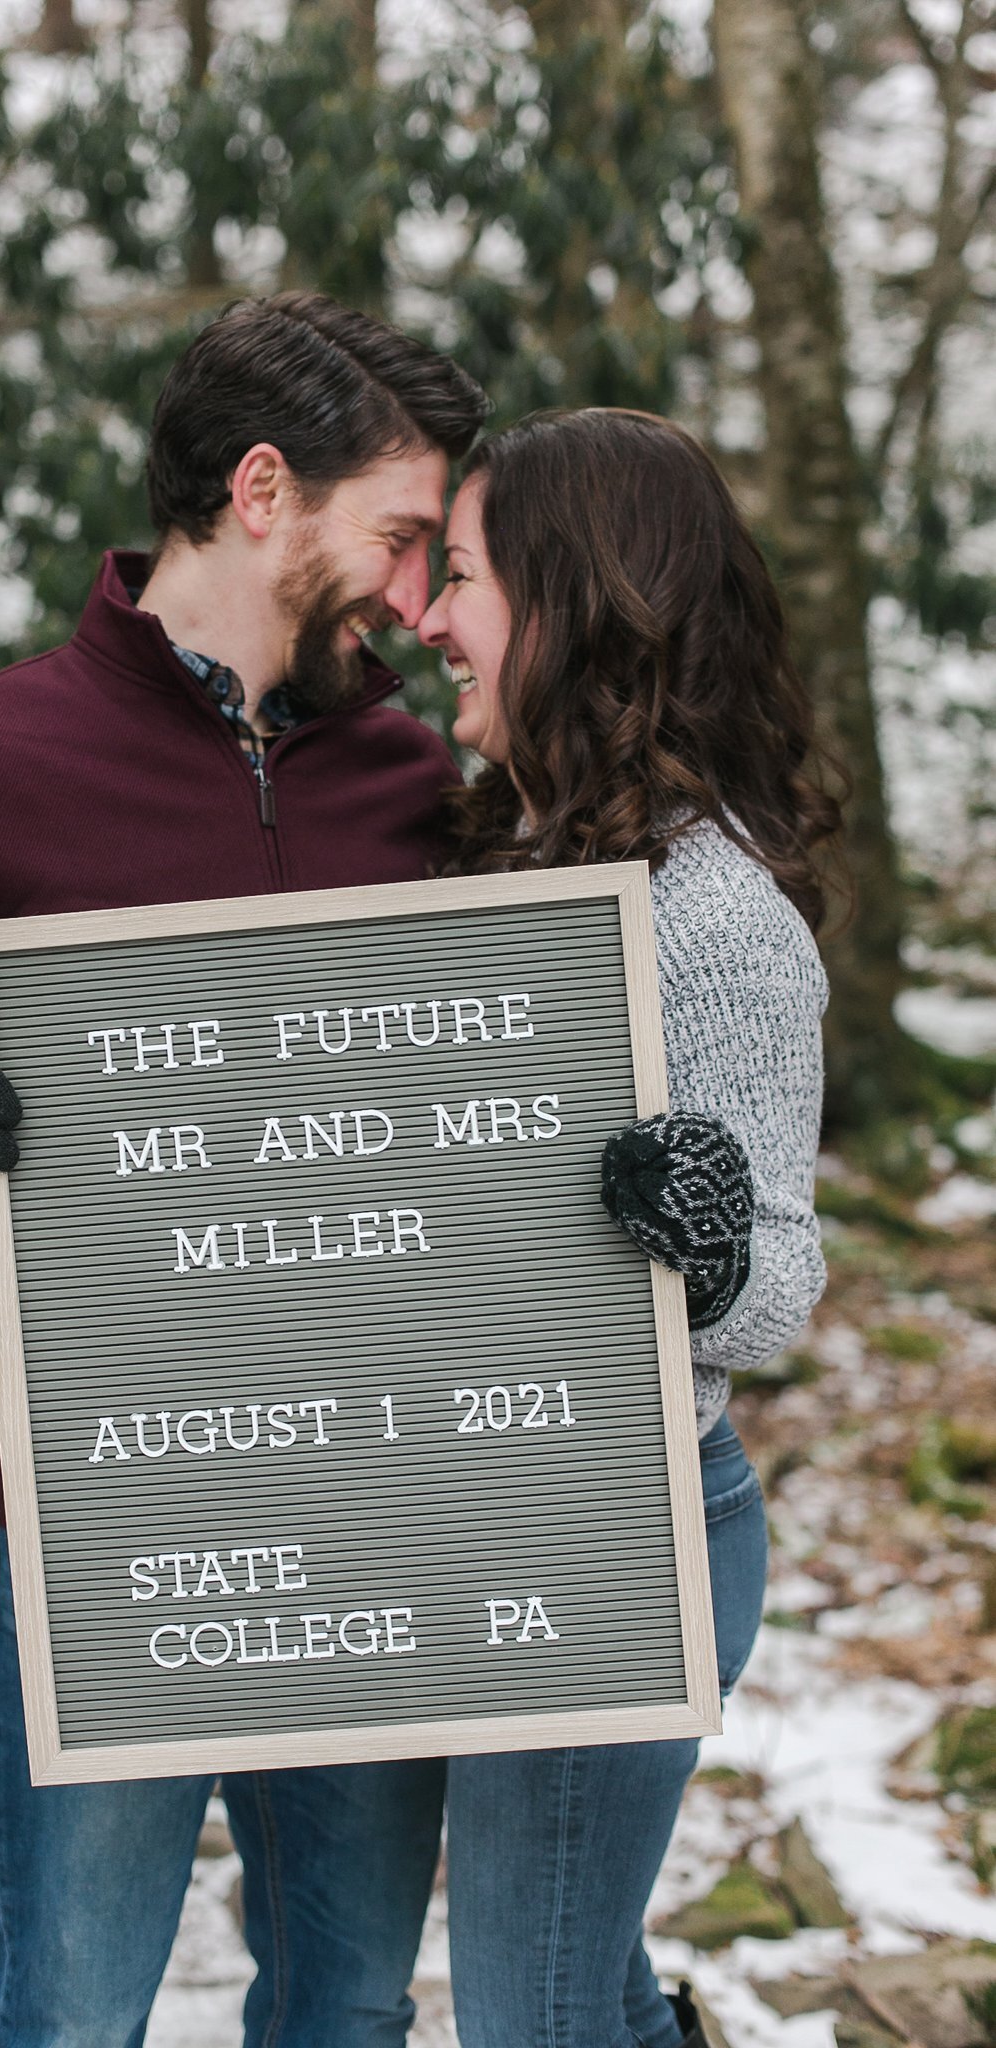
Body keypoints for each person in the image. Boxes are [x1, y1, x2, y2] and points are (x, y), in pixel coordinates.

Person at [0, 291, 490, 2048]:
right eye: (395, 536)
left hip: (375, 1523)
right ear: (257, 493)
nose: (410, 593)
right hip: (106, 1538)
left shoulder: (408, 782)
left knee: (351, 2015)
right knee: (67, 2018)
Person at [416, 406, 840, 2048]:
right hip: (492, 1504)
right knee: (568, 1989)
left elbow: (776, 1289)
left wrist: (710, 1239)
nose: (428, 618)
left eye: (460, 578)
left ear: (573, 597)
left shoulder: (708, 916)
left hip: (620, 1533)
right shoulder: (510, 844)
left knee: (527, 2018)